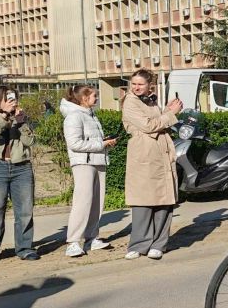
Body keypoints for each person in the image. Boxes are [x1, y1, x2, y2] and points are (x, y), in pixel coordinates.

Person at [122, 69, 183, 260]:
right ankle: (139, 243)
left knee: (164, 200)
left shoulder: (151, 100)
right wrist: (171, 114)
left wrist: (166, 110)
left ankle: (159, 243)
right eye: (134, 84)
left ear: (150, 86)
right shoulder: (129, 102)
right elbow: (148, 126)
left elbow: (156, 121)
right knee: (142, 201)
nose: (137, 87)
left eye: (140, 84)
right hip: (143, 154)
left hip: (160, 153)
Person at [60, 85, 118, 257]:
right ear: (83, 98)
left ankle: (92, 238)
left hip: (97, 160)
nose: (97, 98)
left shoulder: (90, 114)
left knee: (96, 203)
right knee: (82, 203)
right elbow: (75, 143)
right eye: (94, 95)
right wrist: (102, 144)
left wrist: (105, 141)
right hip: (84, 163)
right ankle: (73, 242)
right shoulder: (74, 116)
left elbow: (90, 139)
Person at [0, 87, 37, 261]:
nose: (12, 102)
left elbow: (30, 141)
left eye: (14, 98)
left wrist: (21, 123)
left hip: (22, 168)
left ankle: (24, 248)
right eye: (8, 98)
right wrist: (4, 116)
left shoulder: (21, 117)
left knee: (25, 211)